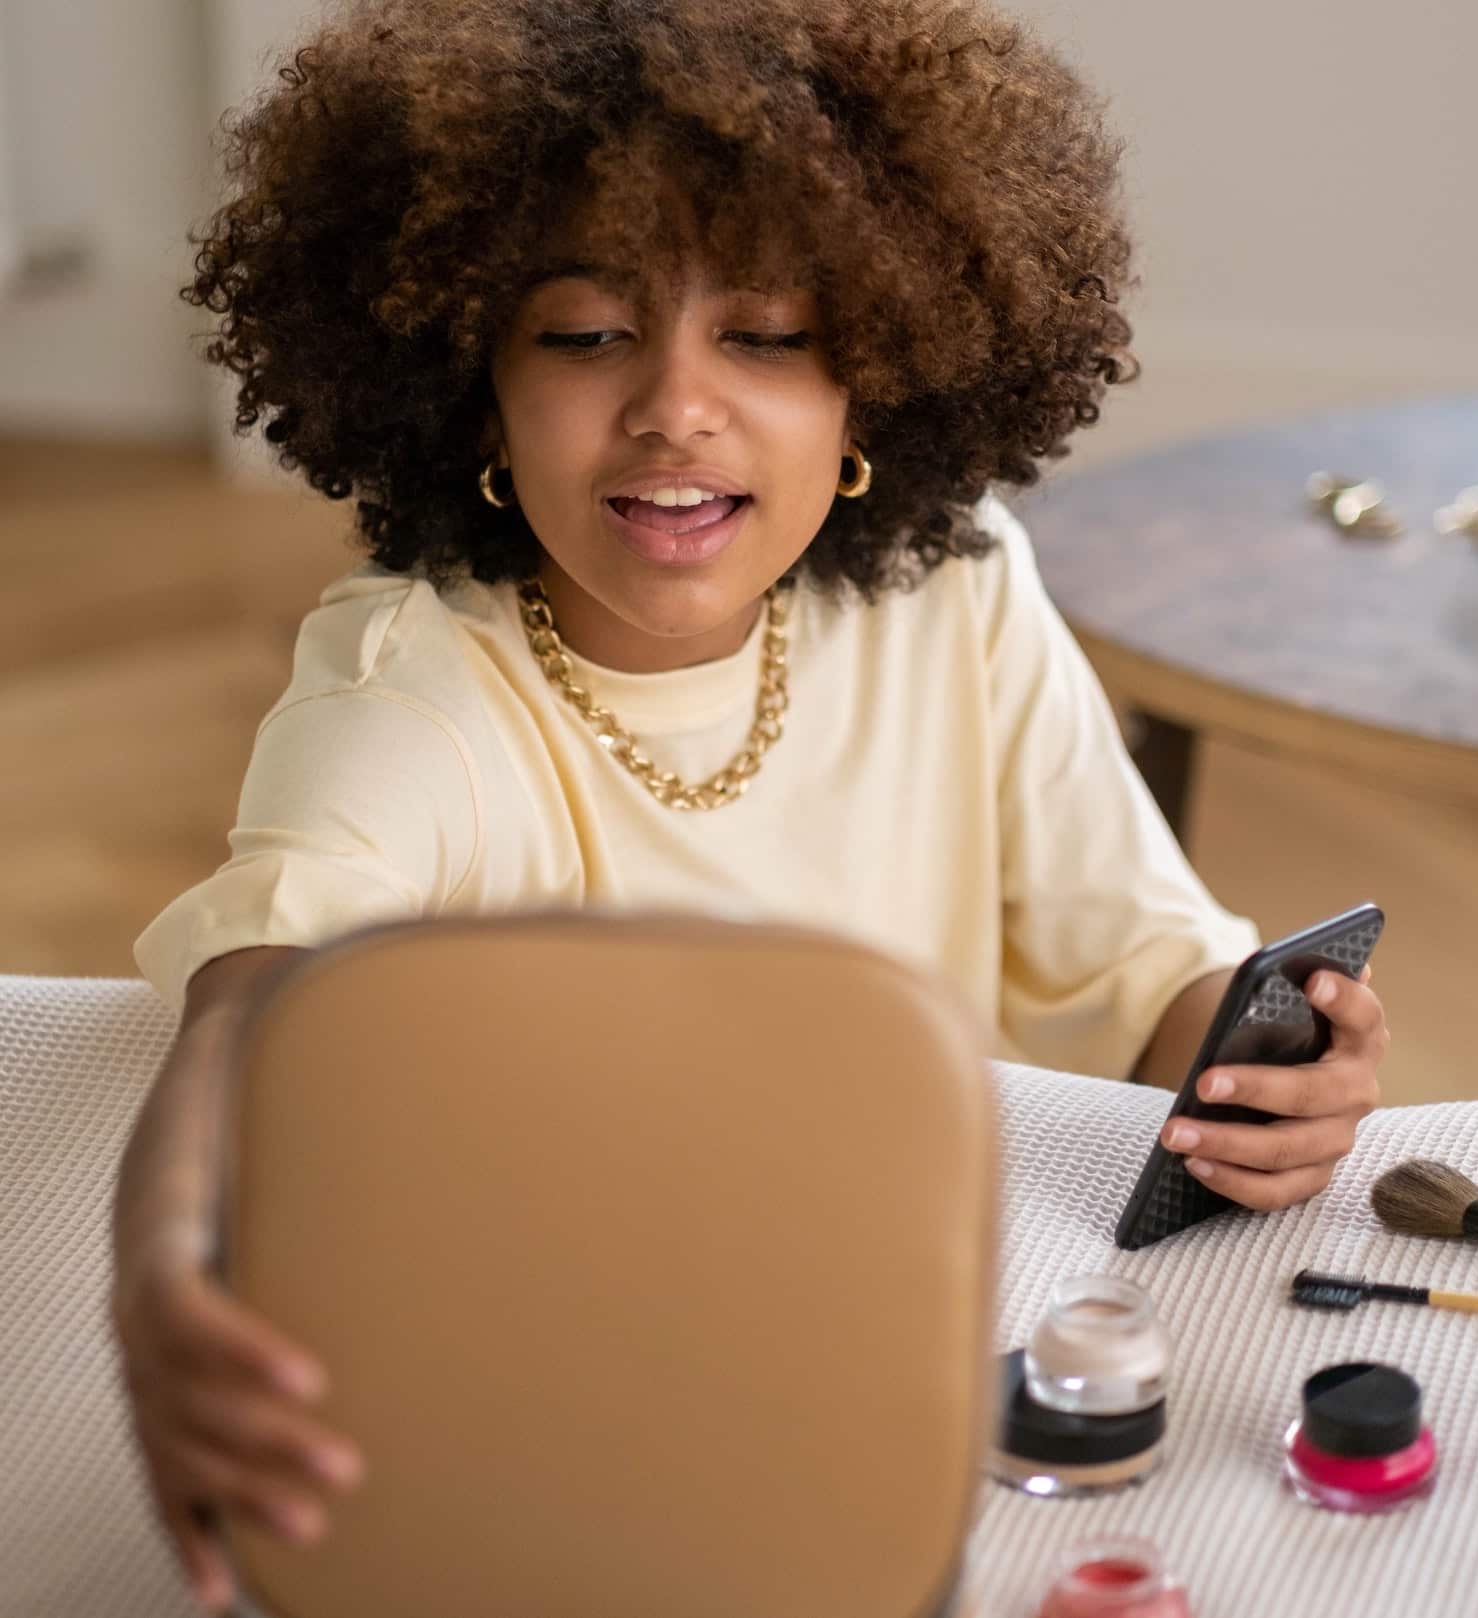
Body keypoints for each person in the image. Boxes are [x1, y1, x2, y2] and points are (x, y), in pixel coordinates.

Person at [111, 0, 1391, 1610]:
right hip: (564, 1368)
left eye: (768, 334)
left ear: (882, 378)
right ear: (468, 389)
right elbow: (247, 1011)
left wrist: (1274, 1064)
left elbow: (1148, 969)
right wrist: (160, 1261)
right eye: (583, 335)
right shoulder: (410, 689)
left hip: (895, 1329)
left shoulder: (958, 590)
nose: (673, 406)